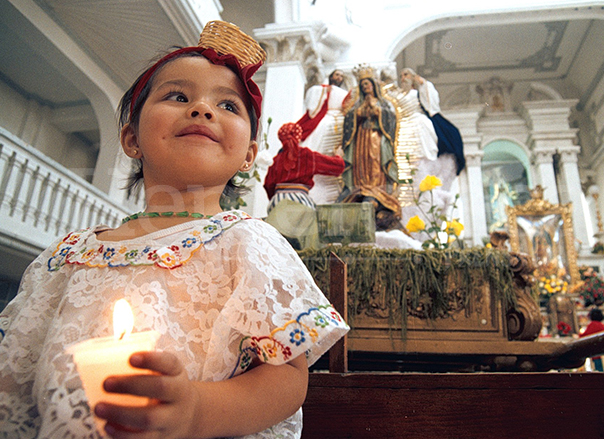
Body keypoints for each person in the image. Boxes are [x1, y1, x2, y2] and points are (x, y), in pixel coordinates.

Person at [0, 21, 349, 439]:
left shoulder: (249, 242)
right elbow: (14, 372)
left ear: (249, 156)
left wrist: (197, 411)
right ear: (131, 139)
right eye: (178, 96)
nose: (202, 109)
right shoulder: (67, 254)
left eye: (228, 106)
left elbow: (288, 378)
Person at [337, 64, 403, 231]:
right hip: (361, 138)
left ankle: (376, 191)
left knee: (375, 163)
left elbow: (390, 118)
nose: (365, 87)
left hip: (376, 138)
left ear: (374, 85)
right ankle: (361, 188)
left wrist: (377, 112)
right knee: (361, 162)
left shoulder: (384, 103)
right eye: (363, 84)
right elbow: (350, 120)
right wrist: (358, 114)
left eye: (368, 83)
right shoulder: (357, 104)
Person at [264, 122, 345, 249]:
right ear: (299, 137)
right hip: (300, 199)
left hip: (277, 202)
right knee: (310, 235)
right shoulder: (307, 155)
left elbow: (268, 185)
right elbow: (337, 167)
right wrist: (339, 155)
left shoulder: (276, 160)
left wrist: (277, 202)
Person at [296, 69, 349, 204]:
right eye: (337, 74)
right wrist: (326, 92)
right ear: (331, 76)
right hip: (325, 121)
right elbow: (313, 109)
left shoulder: (345, 93)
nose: (339, 77)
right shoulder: (320, 89)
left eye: (341, 76)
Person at [400, 68, 465, 176]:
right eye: (401, 76)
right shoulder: (400, 95)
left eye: (406, 75)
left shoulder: (418, 92)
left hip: (419, 121)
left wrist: (423, 83)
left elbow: (430, 101)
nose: (403, 78)